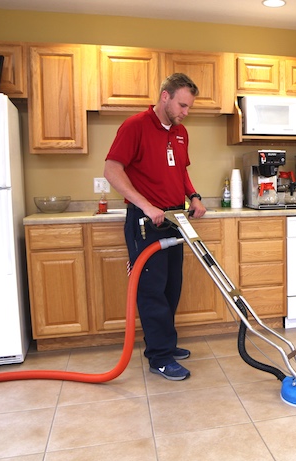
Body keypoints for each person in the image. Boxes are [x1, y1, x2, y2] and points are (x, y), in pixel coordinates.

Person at [104, 73, 206, 381]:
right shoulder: (134, 126)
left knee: (171, 287)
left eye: (188, 107)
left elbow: (181, 172)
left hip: (175, 219)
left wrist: (194, 195)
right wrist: (146, 205)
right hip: (146, 221)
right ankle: (159, 357)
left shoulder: (180, 132)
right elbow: (111, 169)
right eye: (182, 105)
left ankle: (164, 344)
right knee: (151, 291)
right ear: (165, 96)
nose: (185, 113)